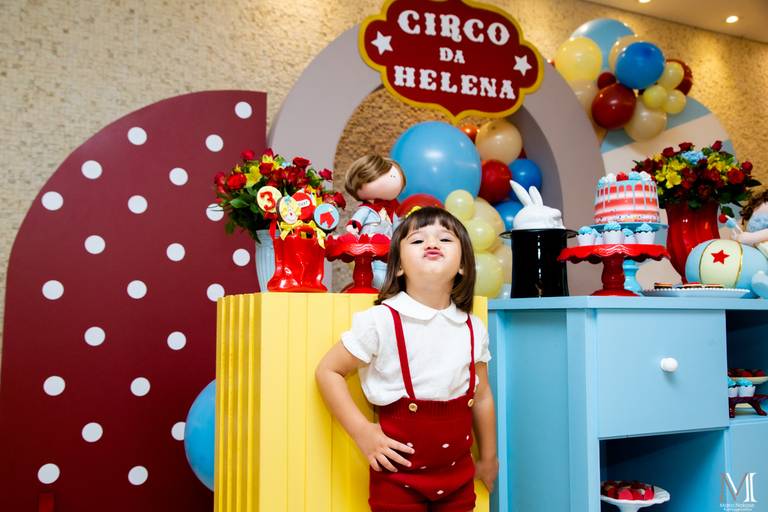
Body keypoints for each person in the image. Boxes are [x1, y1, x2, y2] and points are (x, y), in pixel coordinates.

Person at [316, 206, 499, 512]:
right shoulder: (381, 321)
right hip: (397, 479)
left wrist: (489, 457)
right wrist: (362, 431)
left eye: (445, 238)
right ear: (399, 267)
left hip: (458, 478)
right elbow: (328, 371)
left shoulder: (472, 328)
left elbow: (481, 397)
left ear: (464, 266)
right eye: (417, 240)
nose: (432, 243)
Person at [344, 155, 407, 289]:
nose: (392, 179)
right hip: (369, 247)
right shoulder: (366, 210)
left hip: (388, 247)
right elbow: (356, 221)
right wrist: (353, 229)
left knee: (389, 270)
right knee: (372, 272)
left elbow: (398, 226)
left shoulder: (393, 209)